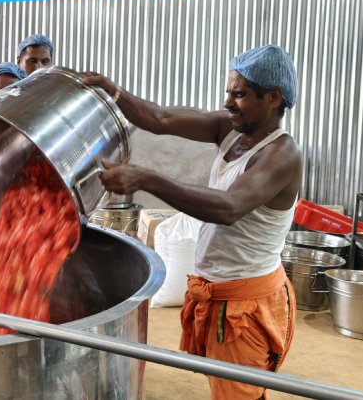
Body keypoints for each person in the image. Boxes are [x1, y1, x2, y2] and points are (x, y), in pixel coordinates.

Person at [83, 45, 302, 399]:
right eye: (229, 92)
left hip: (246, 304)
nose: (229, 102)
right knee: (235, 389)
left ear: (273, 97)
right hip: (217, 291)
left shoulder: (281, 154)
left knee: (238, 392)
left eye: (240, 94)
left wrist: (146, 179)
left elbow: (228, 207)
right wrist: (114, 91)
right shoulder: (230, 129)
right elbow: (161, 118)